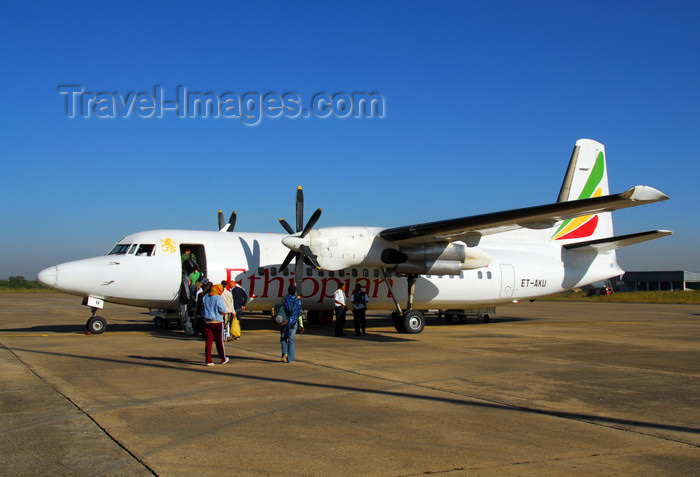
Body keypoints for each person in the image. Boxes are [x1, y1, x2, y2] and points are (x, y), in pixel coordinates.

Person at [202, 283, 229, 366]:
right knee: (219, 341)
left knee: (208, 342)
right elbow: (223, 309)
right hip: (217, 321)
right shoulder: (218, 297)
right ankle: (223, 358)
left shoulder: (205, 296)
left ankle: (208, 360)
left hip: (207, 321)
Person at [280, 285, 303, 363]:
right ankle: (290, 359)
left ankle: (285, 353)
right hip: (294, 322)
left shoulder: (285, 300)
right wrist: (301, 324)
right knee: (291, 340)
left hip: (286, 321)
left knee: (283, 337)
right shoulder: (298, 301)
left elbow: (282, 310)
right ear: (295, 291)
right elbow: (299, 313)